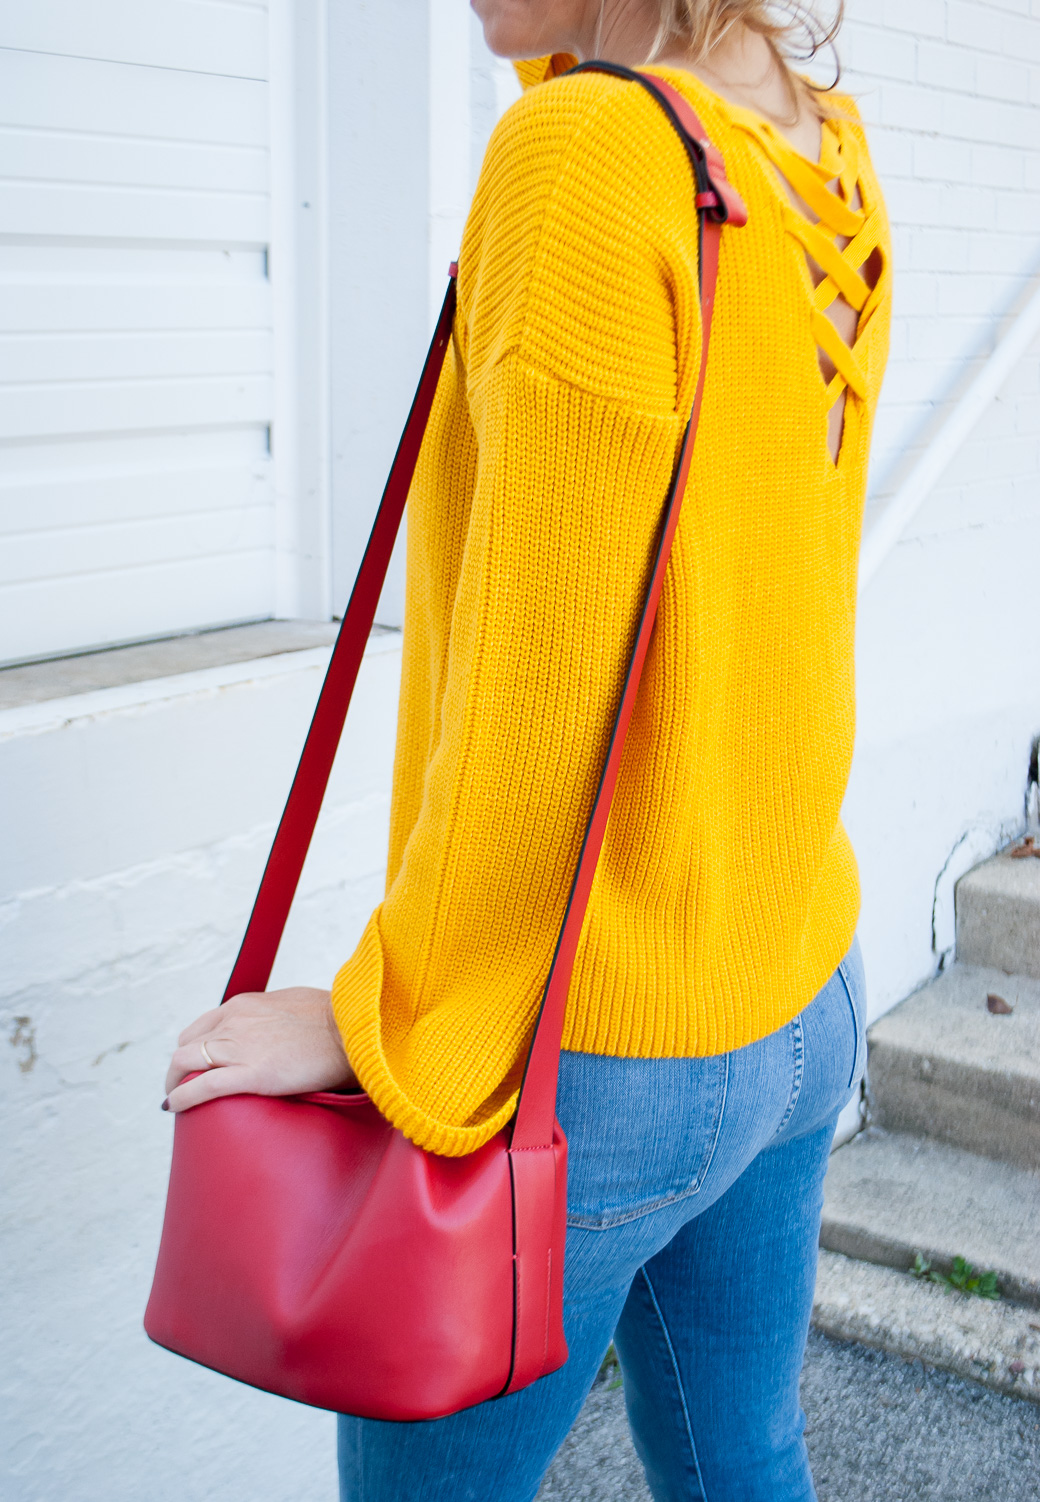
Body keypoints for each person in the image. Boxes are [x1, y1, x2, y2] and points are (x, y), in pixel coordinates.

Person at [164, 1, 890, 1496]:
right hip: (798, 978)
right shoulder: (818, 151)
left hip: (602, 1054)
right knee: (744, 1453)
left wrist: (385, 1021)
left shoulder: (581, 158)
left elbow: (532, 703)